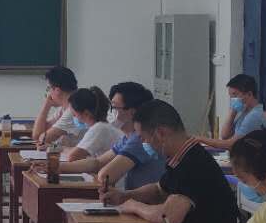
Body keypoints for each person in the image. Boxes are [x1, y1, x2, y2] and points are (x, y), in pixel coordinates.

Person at [103, 100, 240, 223]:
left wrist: (134, 206)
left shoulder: (193, 163)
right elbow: (159, 189)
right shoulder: (181, 156)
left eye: (143, 138)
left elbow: (168, 216)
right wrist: (124, 196)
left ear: (160, 133)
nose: (143, 143)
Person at [30, 82, 165, 192]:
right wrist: (54, 167)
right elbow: (97, 162)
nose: (111, 113)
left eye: (115, 108)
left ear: (132, 112)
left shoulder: (139, 140)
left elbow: (106, 175)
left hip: (140, 203)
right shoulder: (127, 138)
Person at [195, 73, 266, 151]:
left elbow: (232, 144)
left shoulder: (255, 115)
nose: (232, 99)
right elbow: (225, 135)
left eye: (235, 95)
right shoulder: (245, 112)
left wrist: (201, 139)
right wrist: (233, 111)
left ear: (249, 94)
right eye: (231, 96)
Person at [60, 86, 119, 161]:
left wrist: (61, 149)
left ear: (86, 113)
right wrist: (62, 148)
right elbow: (79, 151)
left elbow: (73, 157)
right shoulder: (104, 126)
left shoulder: (99, 128)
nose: (74, 118)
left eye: (74, 115)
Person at [31, 66, 80, 149]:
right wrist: (47, 105)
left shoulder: (72, 111)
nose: (48, 93)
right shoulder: (63, 109)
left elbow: (40, 138)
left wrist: (46, 104)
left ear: (57, 90)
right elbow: (38, 134)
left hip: (80, 156)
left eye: (48, 88)